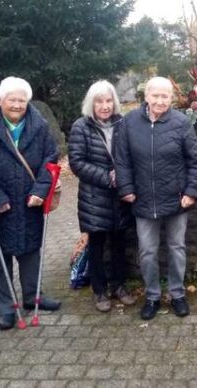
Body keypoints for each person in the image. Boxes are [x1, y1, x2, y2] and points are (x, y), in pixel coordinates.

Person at [0, 77, 61, 330]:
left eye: (22, 100)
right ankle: (7, 308)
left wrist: (41, 190)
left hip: (29, 201)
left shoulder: (39, 125)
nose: (17, 105)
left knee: (30, 251)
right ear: (0, 100)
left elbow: (51, 159)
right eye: (12, 99)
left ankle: (32, 297)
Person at [115, 76, 197, 320]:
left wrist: (191, 192)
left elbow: (194, 161)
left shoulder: (181, 122)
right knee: (148, 252)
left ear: (171, 98)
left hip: (176, 199)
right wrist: (126, 188)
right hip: (142, 199)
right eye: (156, 95)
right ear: (146, 97)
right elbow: (121, 160)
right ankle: (152, 296)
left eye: (165, 96)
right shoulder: (129, 122)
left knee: (176, 248)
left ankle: (177, 294)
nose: (160, 100)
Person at [68, 81, 136, 312]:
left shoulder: (122, 124)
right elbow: (77, 163)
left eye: (108, 101)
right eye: (99, 101)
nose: (105, 106)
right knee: (96, 245)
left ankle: (119, 286)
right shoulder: (81, 127)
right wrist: (109, 177)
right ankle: (100, 291)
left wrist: (124, 177)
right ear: (92, 103)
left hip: (119, 198)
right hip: (94, 198)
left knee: (119, 244)